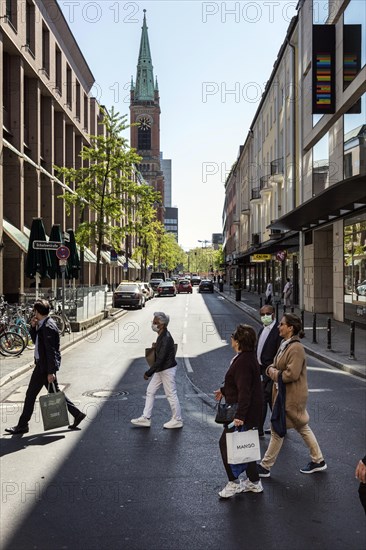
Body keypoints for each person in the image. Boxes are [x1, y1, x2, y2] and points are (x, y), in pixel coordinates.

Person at [257, 313, 327, 477]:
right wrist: (272, 369)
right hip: (284, 395)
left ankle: (265, 466)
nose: (279, 327)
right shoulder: (284, 344)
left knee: (276, 429)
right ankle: (318, 460)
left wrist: (272, 372)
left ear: (291, 328)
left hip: (292, 396)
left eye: (282, 324)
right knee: (302, 426)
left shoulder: (296, 348)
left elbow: (291, 374)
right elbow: (274, 364)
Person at [5, 299, 86, 435]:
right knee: (55, 393)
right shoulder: (43, 324)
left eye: (34, 311)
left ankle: (22, 425)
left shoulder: (48, 327)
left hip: (44, 367)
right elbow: (37, 341)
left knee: (30, 395)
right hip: (43, 365)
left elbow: (51, 351)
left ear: (38, 312)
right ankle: (77, 414)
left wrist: (51, 372)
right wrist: (33, 327)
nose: (33, 313)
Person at [214, 324, 263, 498]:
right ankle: (254, 482)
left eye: (233, 336)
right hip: (250, 411)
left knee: (226, 443)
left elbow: (245, 391)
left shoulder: (243, 362)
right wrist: (224, 390)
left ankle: (233, 482)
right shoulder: (246, 358)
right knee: (246, 444)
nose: (231, 339)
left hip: (244, 412)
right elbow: (239, 385)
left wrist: (240, 416)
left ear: (239, 341)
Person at [131, 312, 183, 429]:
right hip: (162, 369)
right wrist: (156, 347)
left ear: (162, 325)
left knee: (171, 394)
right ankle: (146, 418)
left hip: (167, 369)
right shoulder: (162, 335)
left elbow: (160, 360)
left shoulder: (166, 338)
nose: (153, 324)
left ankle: (177, 419)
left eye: (155, 322)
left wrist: (148, 373)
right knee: (150, 391)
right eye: (153, 322)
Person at [256, 305, 282, 437]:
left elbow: (279, 353)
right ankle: (279, 425)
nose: (265, 316)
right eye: (262, 314)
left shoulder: (278, 331)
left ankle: (260, 428)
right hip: (261, 371)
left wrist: (274, 370)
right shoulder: (262, 329)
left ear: (273, 314)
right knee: (271, 401)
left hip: (271, 371)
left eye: (267, 314)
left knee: (265, 398)